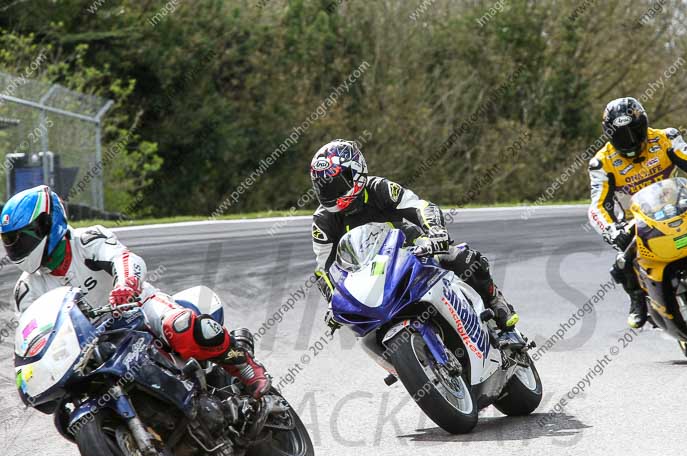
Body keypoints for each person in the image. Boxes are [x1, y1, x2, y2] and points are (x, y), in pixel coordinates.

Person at [1, 185, 269, 398]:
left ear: (47, 224)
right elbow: (30, 337)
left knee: (181, 326)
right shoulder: (26, 290)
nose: (15, 247)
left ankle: (244, 366)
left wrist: (125, 285)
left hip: (138, 309)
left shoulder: (87, 240)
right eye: (8, 240)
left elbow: (126, 259)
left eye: (20, 237)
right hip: (89, 347)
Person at [309, 139, 518, 330]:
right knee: (362, 329)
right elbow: (323, 270)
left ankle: (496, 303)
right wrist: (334, 302)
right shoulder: (323, 220)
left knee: (460, 258)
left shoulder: (379, 188)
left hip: (412, 251)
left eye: (336, 184)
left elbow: (420, 206)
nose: (330, 193)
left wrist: (435, 231)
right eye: (324, 187)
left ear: (356, 172)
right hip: (368, 279)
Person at [587, 97, 687, 328]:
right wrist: (611, 230)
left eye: (634, 132)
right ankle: (638, 299)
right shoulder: (601, 162)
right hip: (638, 221)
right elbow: (597, 205)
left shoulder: (665, 138)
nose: (629, 140)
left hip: (679, 205)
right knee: (622, 264)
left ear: (644, 125)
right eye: (621, 135)